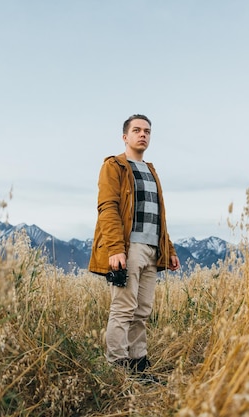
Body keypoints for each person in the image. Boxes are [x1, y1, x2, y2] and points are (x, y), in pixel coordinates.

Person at [89, 114, 180, 378]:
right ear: (125, 136)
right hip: (129, 248)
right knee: (123, 309)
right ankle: (116, 368)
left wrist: (169, 249)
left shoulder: (151, 171)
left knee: (142, 311)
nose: (143, 135)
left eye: (147, 131)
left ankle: (138, 365)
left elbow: (158, 216)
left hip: (152, 248)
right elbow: (108, 208)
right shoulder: (114, 166)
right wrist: (116, 248)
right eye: (137, 130)